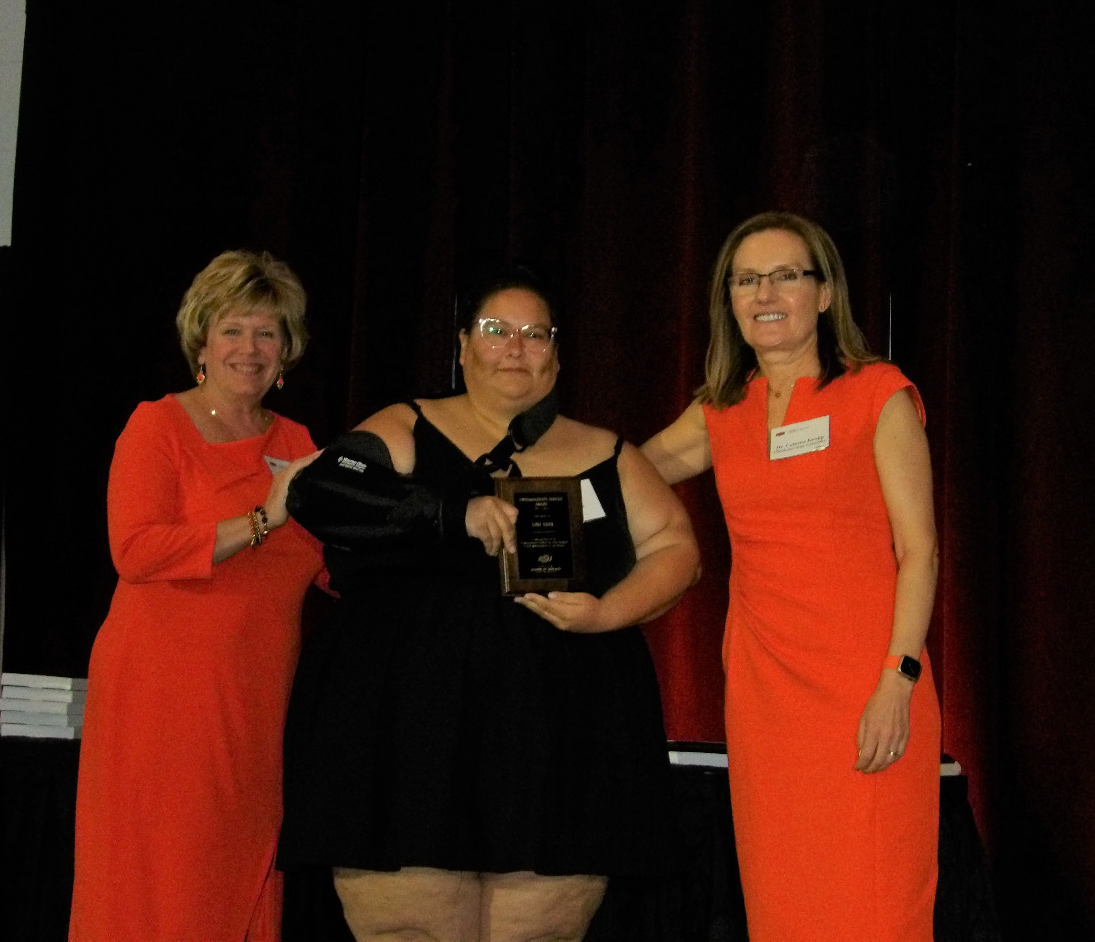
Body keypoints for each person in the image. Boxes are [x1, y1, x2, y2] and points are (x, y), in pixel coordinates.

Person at [278, 272, 700, 942]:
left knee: (538, 931)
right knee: (409, 923)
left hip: (561, 732)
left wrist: (606, 612)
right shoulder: (408, 423)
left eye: (535, 335)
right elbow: (321, 491)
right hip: (407, 725)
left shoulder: (606, 450)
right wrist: (452, 514)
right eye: (497, 331)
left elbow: (676, 548)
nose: (516, 348)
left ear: (557, 356)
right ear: (463, 347)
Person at [641, 211, 941, 942]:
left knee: (875, 909)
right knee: (783, 911)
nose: (764, 293)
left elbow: (921, 551)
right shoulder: (722, 410)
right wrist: (522, 489)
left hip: (866, 688)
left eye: (785, 275)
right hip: (766, 699)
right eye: (747, 279)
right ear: (729, 299)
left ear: (825, 293)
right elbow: (626, 478)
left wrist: (897, 681)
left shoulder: (878, 393)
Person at [70, 250, 325, 942]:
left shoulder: (298, 443)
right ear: (202, 342)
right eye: (234, 330)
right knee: (165, 880)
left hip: (253, 707)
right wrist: (262, 519)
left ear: (286, 352)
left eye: (267, 333)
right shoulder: (158, 426)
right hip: (164, 701)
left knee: (237, 871)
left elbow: (337, 563)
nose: (251, 348)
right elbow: (138, 549)